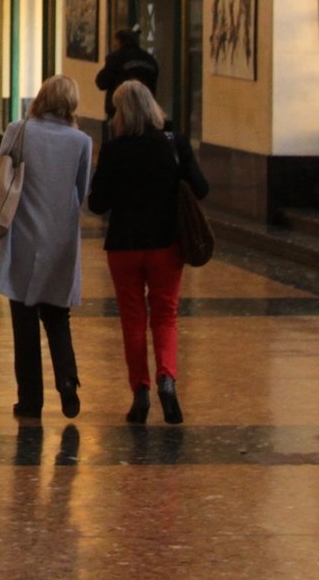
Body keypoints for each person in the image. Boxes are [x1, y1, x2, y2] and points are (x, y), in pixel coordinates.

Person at [87, 79, 208, 425]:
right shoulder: (174, 144)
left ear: (120, 113)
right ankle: (167, 379)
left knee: (133, 319)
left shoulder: (114, 149)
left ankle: (140, 391)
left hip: (123, 246)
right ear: (152, 106)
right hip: (165, 245)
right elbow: (201, 188)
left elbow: (97, 204)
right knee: (165, 315)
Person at [0, 75, 92, 423]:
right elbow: (82, 190)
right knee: (58, 316)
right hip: (61, 237)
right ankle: (67, 381)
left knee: (24, 319)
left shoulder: (19, 130)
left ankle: (30, 401)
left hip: (24, 235)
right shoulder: (82, 141)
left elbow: (0, 170)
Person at [94, 28, 159, 119]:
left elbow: (101, 82)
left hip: (120, 111)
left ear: (120, 42)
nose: (114, 44)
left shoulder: (116, 58)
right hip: (145, 110)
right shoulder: (150, 60)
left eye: (115, 41)